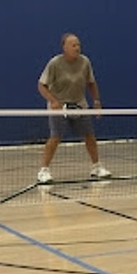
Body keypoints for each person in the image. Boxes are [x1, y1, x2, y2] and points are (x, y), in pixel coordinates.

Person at [36, 32, 111, 183]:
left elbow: (91, 82)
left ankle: (96, 167)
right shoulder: (55, 63)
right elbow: (41, 86)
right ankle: (43, 170)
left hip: (79, 105)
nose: (77, 48)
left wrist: (96, 101)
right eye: (73, 45)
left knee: (89, 135)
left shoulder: (85, 62)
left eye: (78, 45)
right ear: (64, 47)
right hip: (59, 106)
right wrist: (53, 101)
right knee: (55, 137)